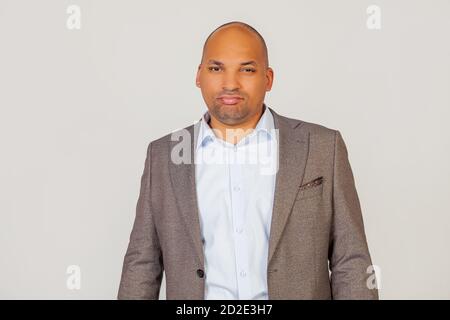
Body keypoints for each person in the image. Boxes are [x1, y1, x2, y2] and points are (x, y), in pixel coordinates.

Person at [118, 21, 378, 300]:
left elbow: (351, 261)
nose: (230, 84)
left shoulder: (322, 148)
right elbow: (142, 265)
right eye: (216, 69)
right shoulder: (163, 156)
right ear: (198, 76)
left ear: (268, 78)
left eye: (247, 69)